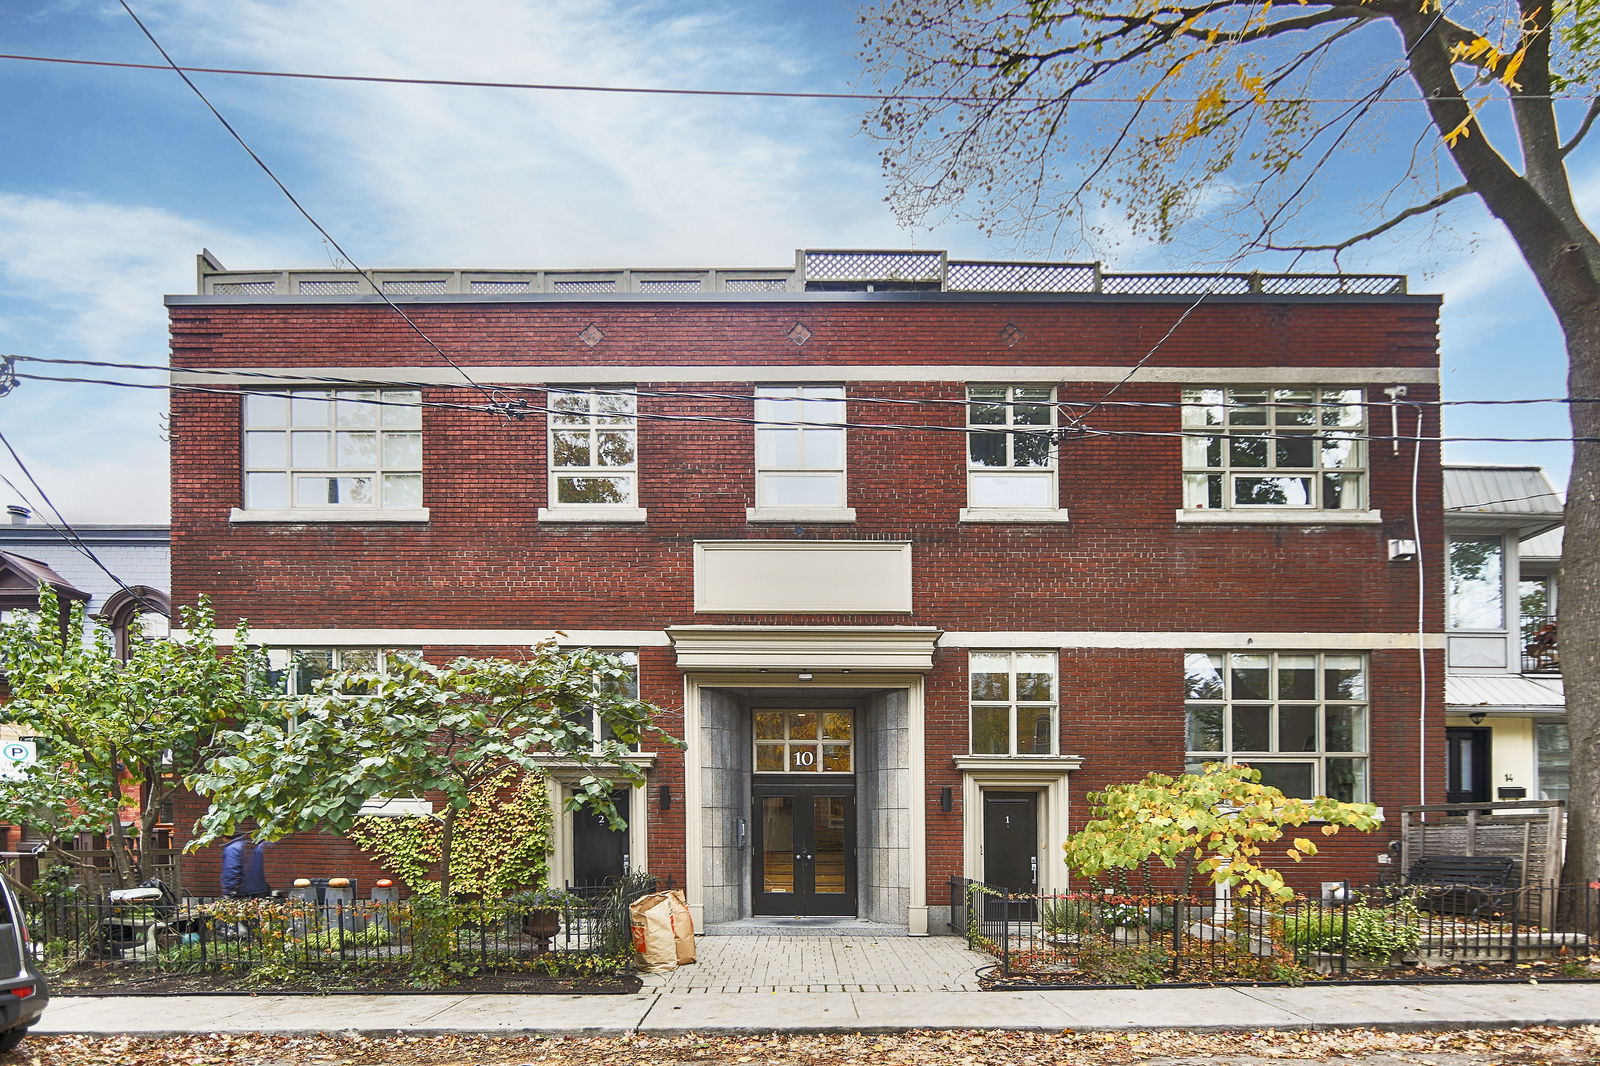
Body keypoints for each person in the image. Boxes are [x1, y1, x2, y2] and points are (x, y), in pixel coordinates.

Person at [220, 833, 247, 898]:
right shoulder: (246, 845)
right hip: (256, 890)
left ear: (225, 838)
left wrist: (228, 892)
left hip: (239, 892)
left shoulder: (232, 849)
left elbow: (231, 870)